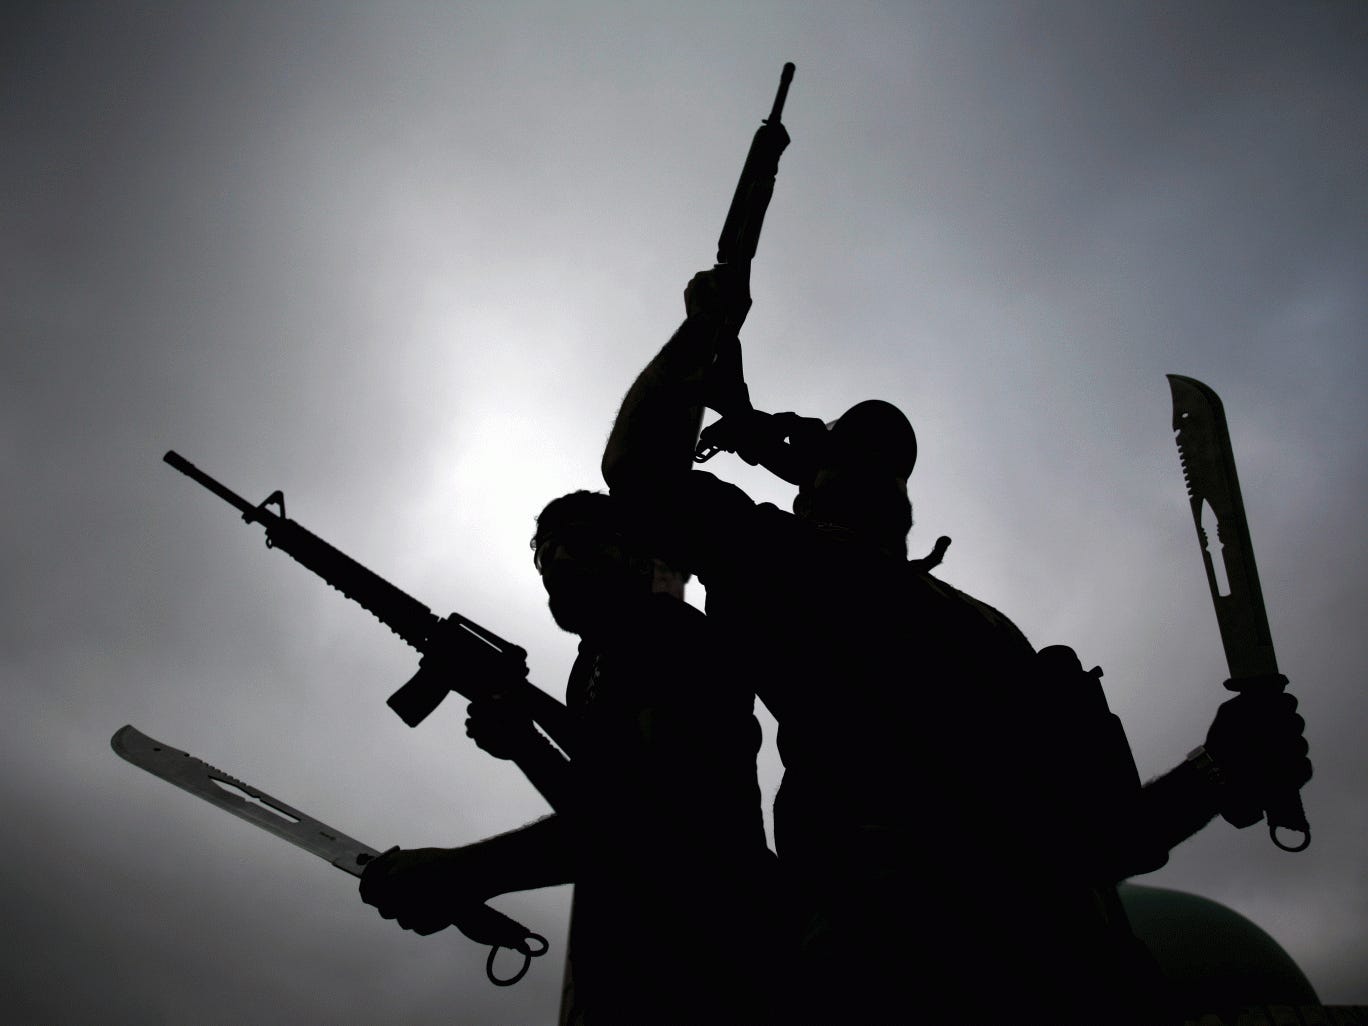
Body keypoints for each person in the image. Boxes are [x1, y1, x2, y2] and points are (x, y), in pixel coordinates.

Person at [599, 266, 1312, 1023]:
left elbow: (1101, 842)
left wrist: (1215, 771)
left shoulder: (992, 630)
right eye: (852, 451)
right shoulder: (786, 564)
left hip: (1086, 978)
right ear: (806, 488)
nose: (878, 465)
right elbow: (640, 471)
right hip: (910, 969)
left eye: (893, 460)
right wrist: (707, 327)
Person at [359, 490, 778, 1026]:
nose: (556, 561)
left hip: (710, 963)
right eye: (544, 552)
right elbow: (604, 805)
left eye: (578, 542)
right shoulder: (590, 668)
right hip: (633, 973)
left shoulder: (670, 634)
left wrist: (462, 871)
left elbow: (655, 826)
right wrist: (525, 744)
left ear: (631, 554)